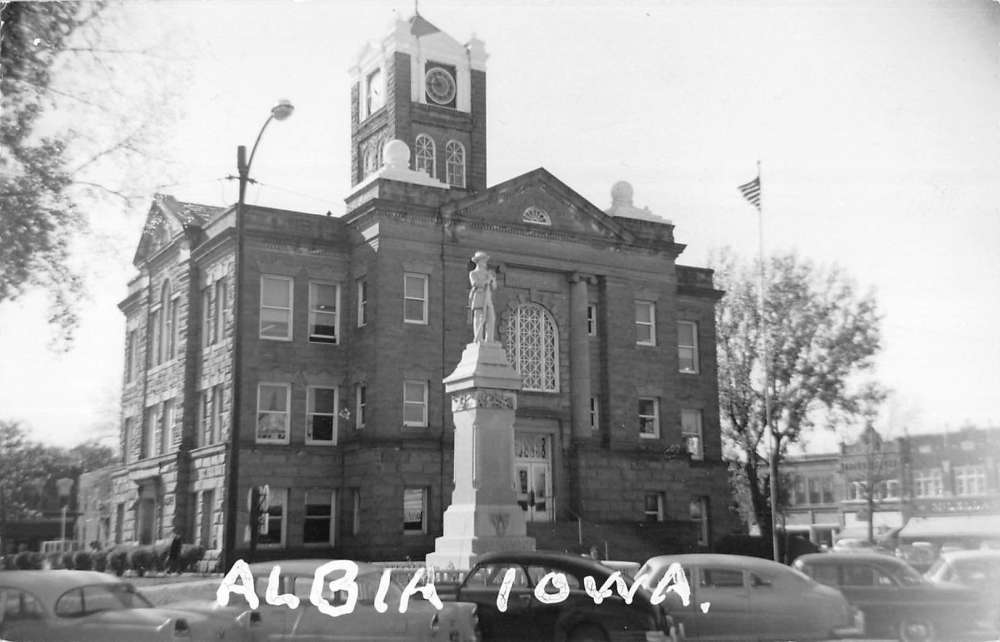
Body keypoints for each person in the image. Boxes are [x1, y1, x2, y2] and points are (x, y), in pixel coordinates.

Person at [468, 251, 497, 343]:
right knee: (479, 318)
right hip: (479, 297)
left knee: (491, 318)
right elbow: (475, 284)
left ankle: (489, 339)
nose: (485, 263)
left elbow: (494, 287)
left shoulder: (488, 274)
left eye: (485, 261)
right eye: (483, 261)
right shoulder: (473, 273)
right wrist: (486, 281)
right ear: (478, 262)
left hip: (488, 298)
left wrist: (493, 280)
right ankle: (478, 338)